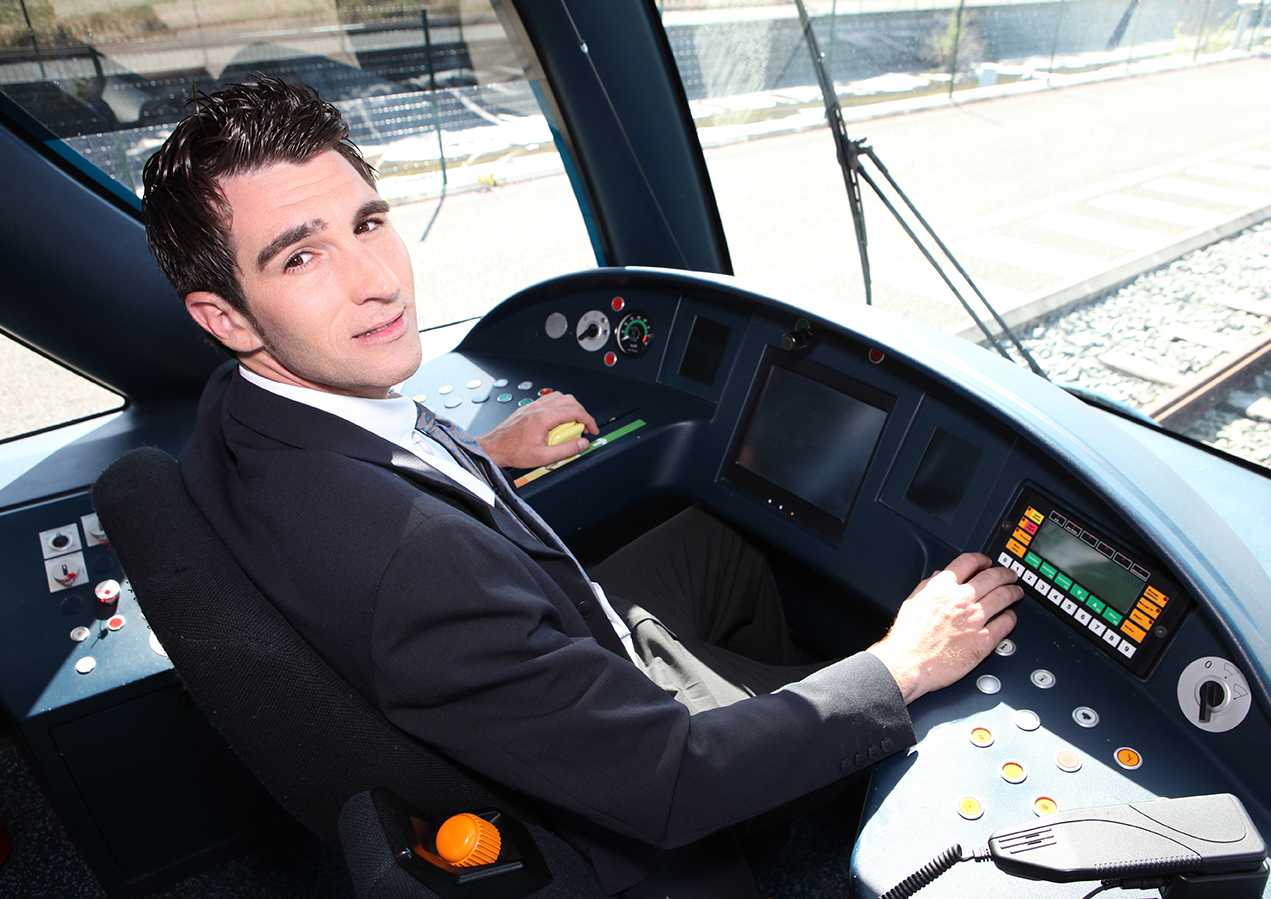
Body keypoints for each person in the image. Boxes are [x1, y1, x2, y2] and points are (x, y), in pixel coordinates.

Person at [139, 76, 1020, 897]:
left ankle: (767, 741)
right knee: (904, 690)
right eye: (301, 258)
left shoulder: (244, 412)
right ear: (225, 315)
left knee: (719, 543)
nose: (378, 282)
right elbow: (674, 778)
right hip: (648, 789)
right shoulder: (416, 568)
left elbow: (382, 468)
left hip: (572, 638)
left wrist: (482, 454)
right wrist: (902, 663)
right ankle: (769, 813)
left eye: (367, 223)